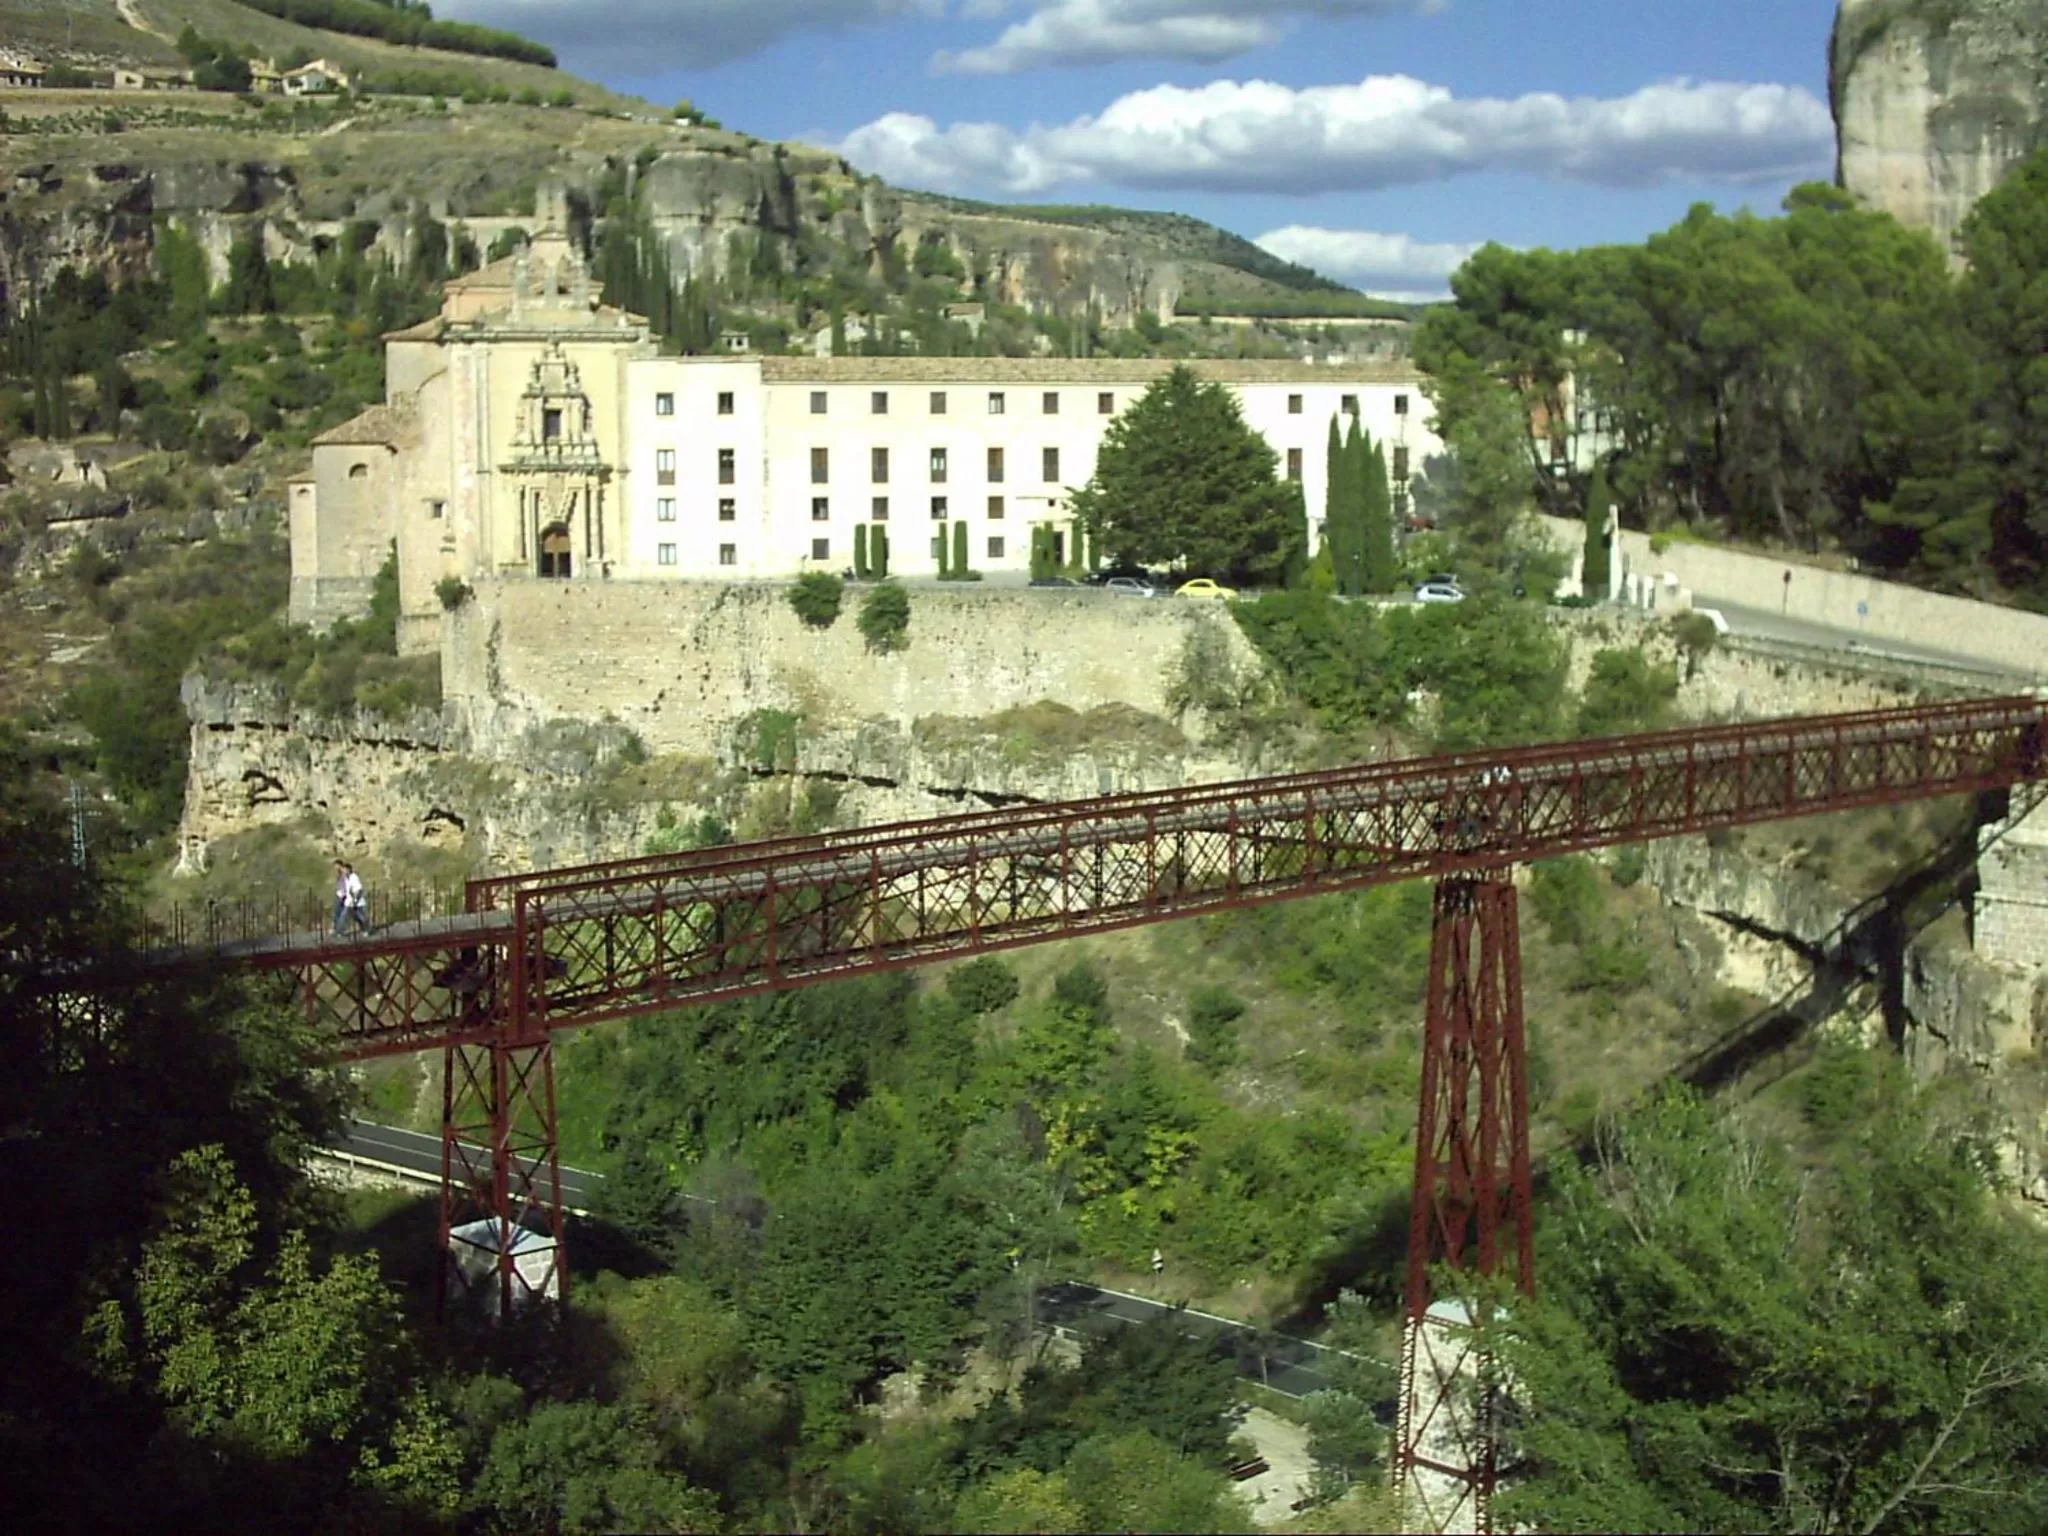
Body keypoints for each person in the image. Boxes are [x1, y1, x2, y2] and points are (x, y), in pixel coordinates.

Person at [333, 860, 370, 937]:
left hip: (357, 902)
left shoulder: (354, 877)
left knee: (360, 917)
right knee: (343, 916)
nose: (343, 871)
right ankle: (339, 932)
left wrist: (355, 900)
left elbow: (359, 890)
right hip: (349, 902)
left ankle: (366, 929)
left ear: (348, 870)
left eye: (345, 869)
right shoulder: (346, 878)